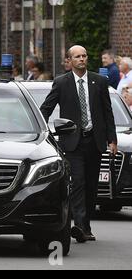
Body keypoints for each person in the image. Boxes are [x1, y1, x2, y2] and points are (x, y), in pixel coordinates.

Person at [40, 45, 117, 243]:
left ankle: (86, 225)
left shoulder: (99, 81)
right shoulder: (61, 83)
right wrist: (41, 132)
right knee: (79, 183)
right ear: (70, 60)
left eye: (84, 55)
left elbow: (107, 112)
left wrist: (112, 139)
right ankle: (80, 227)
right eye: (77, 56)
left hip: (95, 141)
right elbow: (46, 109)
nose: (82, 59)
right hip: (72, 141)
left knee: (91, 185)